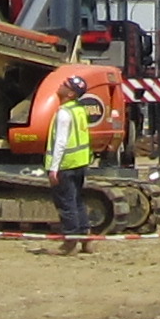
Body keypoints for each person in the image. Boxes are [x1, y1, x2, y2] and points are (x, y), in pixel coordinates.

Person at [46, 73, 103, 239]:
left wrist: (54, 169)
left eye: (65, 84)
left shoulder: (64, 113)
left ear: (70, 94)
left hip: (66, 165)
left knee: (66, 204)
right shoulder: (78, 109)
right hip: (79, 163)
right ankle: (86, 237)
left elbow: (61, 142)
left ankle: (70, 241)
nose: (61, 85)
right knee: (77, 201)